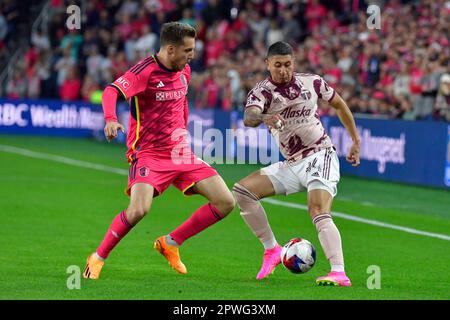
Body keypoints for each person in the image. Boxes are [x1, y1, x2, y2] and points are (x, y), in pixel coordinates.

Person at [83, 22, 235, 279]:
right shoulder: (145, 71)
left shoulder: (184, 70)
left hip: (180, 152)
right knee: (139, 210)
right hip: (149, 154)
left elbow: (182, 104)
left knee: (225, 202)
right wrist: (110, 118)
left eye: (193, 49)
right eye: (188, 50)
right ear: (171, 49)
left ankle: (171, 242)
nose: (192, 56)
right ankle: (97, 257)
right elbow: (111, 91)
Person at [232, 42, 360, 286]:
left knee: (317, 210)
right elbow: (249, 118)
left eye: (288, 64)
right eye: (277, 65)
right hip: (292, 163)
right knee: (243, 191)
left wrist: (355, 140)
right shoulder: (262, 92)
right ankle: (271, 250)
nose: (283, 70)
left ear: (294, 62)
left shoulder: (312, 82)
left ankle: (338, 271)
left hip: (320, 154)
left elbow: (340, 105)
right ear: (267, 64)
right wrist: (265, 117)